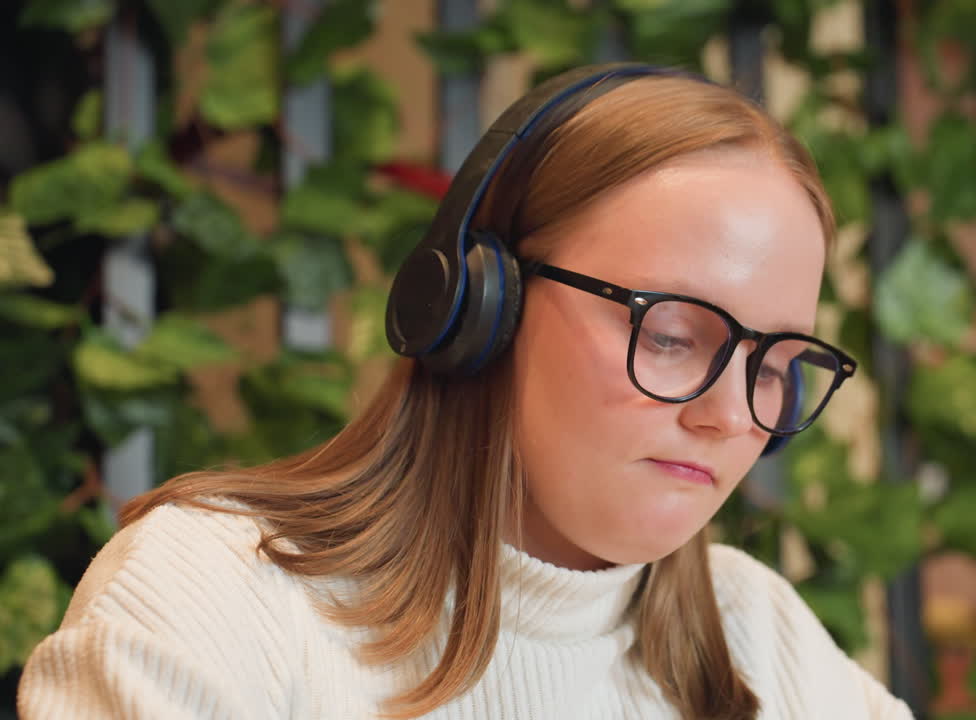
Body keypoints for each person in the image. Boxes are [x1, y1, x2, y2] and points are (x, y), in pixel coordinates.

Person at [17, 64, 912, 719]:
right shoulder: (214, 596)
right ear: (477, 306)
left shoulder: (762, 634)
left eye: (769, 367)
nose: (727, 416)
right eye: (673, 336)